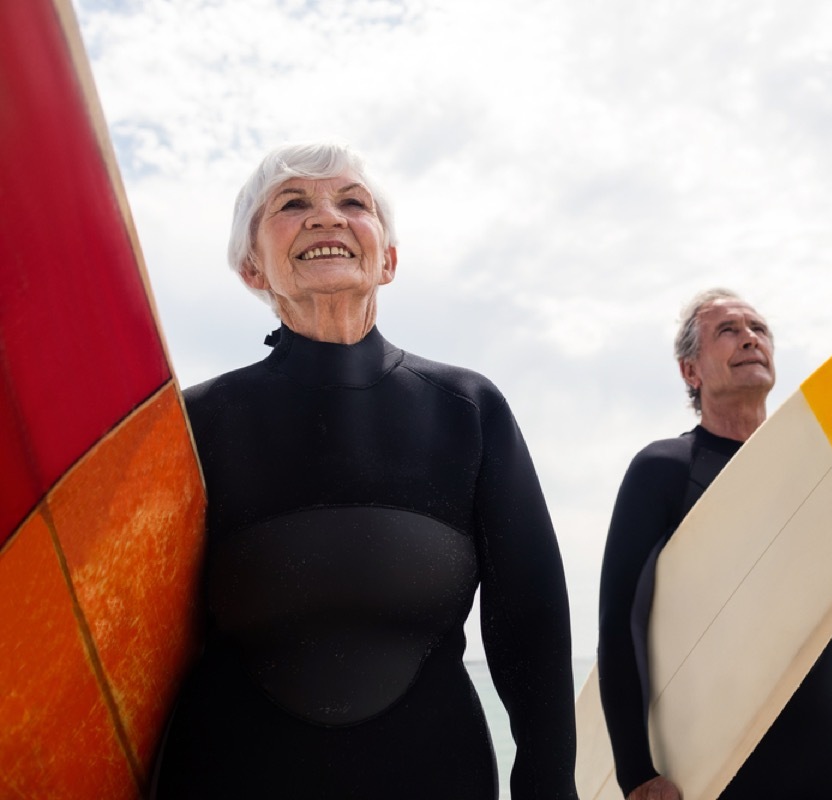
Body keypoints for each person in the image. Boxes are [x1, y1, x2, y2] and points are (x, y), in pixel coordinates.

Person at [152, 142, 579, 799]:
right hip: (231, 775)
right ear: (251, 268)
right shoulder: (195, 425)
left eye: (354, 203)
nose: (326, 216)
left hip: (436, 773)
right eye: (292, 205)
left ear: (390, 259)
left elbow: (529, 619)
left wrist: (548, 784)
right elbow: (139, 637)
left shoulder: (467, 409)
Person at [597, 288, 832, 800]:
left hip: (831, 758)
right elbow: (620, 622)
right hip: (723, 765)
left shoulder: (811, 475)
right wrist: (636, 773)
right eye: (728, 331)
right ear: (691, 372)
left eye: (759, 329)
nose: (750, 338)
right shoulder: (663, 472)